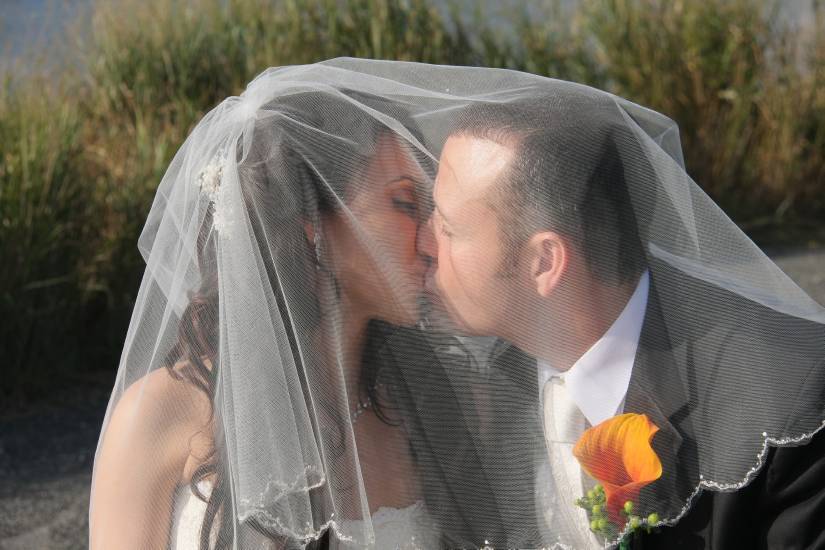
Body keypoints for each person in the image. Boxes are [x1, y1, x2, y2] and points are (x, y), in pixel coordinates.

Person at [418, 85, 825, 548]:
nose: (423, 242)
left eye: (448, 228)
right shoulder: (479, 384)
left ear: (544, 262)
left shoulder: (788, 401)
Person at [89, 84, 458, 549]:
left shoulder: (426, 403)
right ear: (313, 223)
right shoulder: (160, 415)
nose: (433, 240)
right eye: (406, 204)